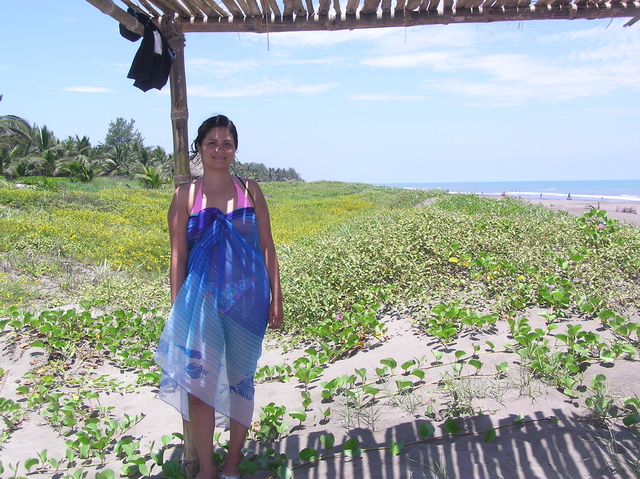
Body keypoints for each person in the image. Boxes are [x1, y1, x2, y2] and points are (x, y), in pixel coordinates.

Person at [154, 115, 284, 479]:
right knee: (198, 388)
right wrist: (178, 307)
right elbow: (178, 256)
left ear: (235, 149)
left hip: (248, 300)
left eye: (227, 144)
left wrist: (276, 298)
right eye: (212, 143)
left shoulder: (250, 190)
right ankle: (207, 469)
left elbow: (267, 246)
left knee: (241, 382)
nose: (219, 150)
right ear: (199, 147)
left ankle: (231, 464)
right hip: (200, 305)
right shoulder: (185, 196)